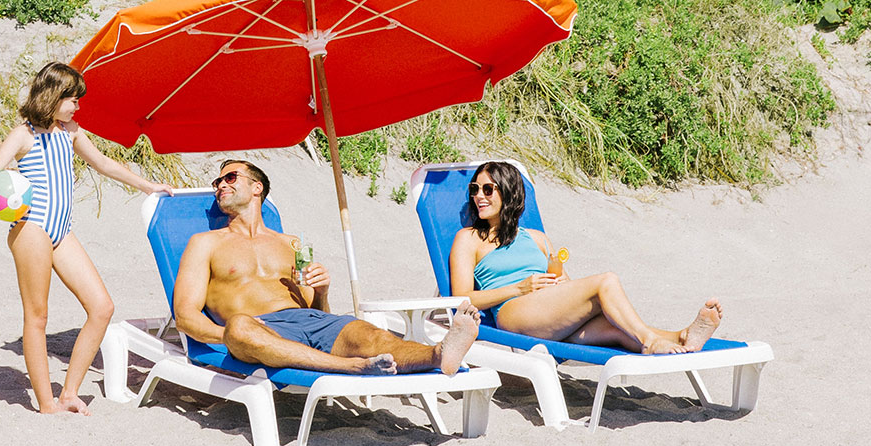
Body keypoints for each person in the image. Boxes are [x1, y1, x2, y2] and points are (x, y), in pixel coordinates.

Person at [0, 62, 171, 415]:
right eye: (72, 99)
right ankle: (47, 403)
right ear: (53, 96)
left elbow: (104, 163)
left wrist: (149, 186)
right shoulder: (24, 135)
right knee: (37, 317)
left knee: (102, 307)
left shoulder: (71, 131)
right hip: (32, 229)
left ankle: (69, 393)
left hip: (62, 230)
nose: (77, 106)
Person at [174, 158, 479, 375]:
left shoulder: (292, 243)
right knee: (240, 326)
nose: (220, 186)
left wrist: (322, 291)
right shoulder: (205, 242)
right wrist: (226, 335)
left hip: (308, 321)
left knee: (370, 335)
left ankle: (439, 354)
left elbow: (317, 311)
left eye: (230, 178)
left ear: (257, 188)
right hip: (257, 328)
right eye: (217, 182)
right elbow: (186, 316)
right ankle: (351, 366)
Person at [448, 161, 721, 355]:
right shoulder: (469, 238)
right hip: (514, 310)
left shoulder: (537, 238)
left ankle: (681, 337)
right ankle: (650, 340)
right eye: (475, 189)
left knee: (616, 329)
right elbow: (462, 297)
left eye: (487, 189)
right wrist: (520, 288)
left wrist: (560, 285)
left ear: (508, 193)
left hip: (549, 312)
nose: (478, 197)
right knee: (606, 282)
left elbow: (564, 283)